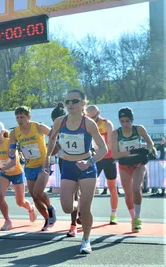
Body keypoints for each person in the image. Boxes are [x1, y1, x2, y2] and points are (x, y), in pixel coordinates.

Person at [44, 90, 108, 254]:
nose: (70, 105)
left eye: (74, 101)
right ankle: (79, 204)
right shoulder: (59, 121)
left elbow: (103, 149)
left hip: (86, 167)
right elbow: (51, 140)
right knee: (66, 207)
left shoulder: (88, 123)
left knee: (86, 209)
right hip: (68, 166)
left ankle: (86, 240)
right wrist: (47, 158)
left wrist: (89, 162)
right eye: (67, 102)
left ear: (83, 103)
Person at [9, 106, 57, 231]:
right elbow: (12, 148)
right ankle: (47, 219)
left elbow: (54, 135)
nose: (20, 120)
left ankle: (50, 208)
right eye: (17, 117)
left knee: (38, 192)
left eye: (22, 117)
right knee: (34, 196)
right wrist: (12, 153)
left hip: (43, 164)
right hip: (29, 166)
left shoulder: (38, 126)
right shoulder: (14, 132)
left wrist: (49, 154)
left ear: (29, 117)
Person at [111, 107, 153, 233]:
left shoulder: (138, 129)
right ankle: (133, 218)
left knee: (136, 188)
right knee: (128, 194)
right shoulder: (116, 133)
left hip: (138, 164)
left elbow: (150, 143)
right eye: (122, 121)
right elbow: (115, 155)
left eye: (127, 121)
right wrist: (132, 151)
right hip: (124, 165)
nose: (125, 124)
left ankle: (138, 218)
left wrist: (148, 152)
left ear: (132, 120)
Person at [0, 122, 37, 230]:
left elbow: (13, 162)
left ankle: (30, 208)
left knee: (20, 202)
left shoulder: (10, 143)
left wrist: (0, 169)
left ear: (2, 132)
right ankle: (7, 221)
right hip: (4, 174)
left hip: (16, 173)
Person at [50, 103, 80, 237]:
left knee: (78, 194)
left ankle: (75, 223)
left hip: (81, 162)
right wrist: (46, 156)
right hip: (65, 163)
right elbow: (53, 148)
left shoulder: (78, 123)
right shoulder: (55, 128)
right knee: (72, 194)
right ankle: (76, 217)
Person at [86, 105, 119, 225]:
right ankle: (86, 213)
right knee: (88, 186)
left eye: (94, 117)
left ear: (98, 113)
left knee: (112, 187)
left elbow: (110, 143)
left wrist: (100, 151)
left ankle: (113, 214)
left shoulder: (107, 124)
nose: (93, 120)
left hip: (108, 158)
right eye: (90, 117)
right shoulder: (88, 124)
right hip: (96, 158)